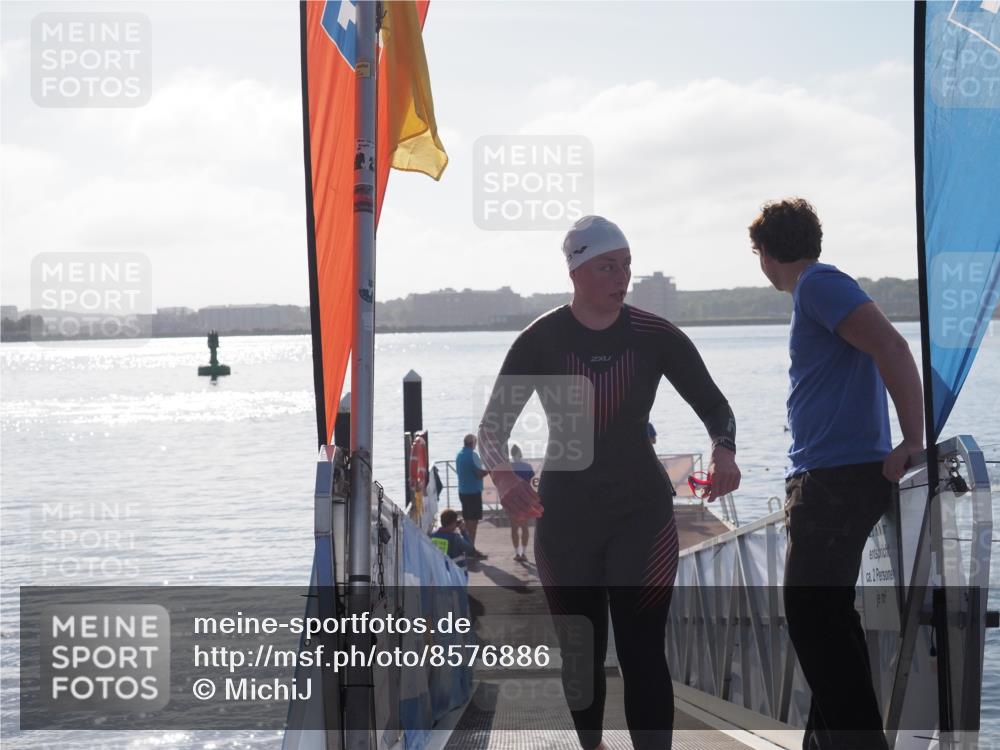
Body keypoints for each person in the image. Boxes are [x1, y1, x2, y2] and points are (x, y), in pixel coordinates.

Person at [478, 215, 741, 750]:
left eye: (626, 265)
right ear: (575, 271)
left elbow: (715, 407)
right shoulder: (541, 339)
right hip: (567, 517)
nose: (621, 277)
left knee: (643, 651)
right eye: (606, 266)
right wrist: (504, 479)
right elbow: (490, 430)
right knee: (582, 651)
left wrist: (725, 451)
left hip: (640, 513)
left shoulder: (654, 335)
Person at [748, 198, 923, 750]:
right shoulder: (816, 289)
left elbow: (891, 345)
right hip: (828, 479)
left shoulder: (820, 285)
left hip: (837, 480)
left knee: (812, 618)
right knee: (828, 620)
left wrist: (912, 440)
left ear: (766, 253)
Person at [455, 434, 489, 547]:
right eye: (476, 442)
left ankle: (467, 545)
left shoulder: (459, 455)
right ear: (472, 443)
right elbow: (479, 474)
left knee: (467, 519)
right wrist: (489, 470)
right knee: (473, 522)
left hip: (463, 491)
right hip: (473, 492)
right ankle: (471, 547)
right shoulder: (473, 455)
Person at [507, 444, 534, 562]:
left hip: (512, 500)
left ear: (512, 455)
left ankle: (517, 553)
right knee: (524, 527)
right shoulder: (527, 466)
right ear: (520, 454)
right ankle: (524, 552)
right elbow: (531, 481)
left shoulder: (508, 467)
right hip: (525, 499)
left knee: (514, 528)